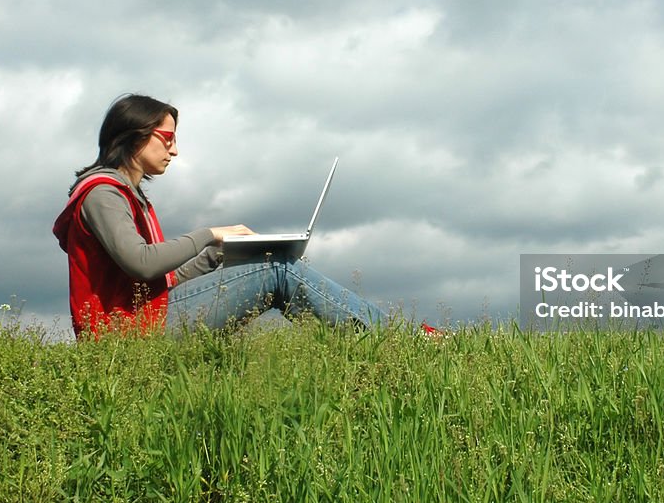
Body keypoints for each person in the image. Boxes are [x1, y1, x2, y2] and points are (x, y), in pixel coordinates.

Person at [53, 93, 413, 339]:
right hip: (130, 331)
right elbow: (142, 264)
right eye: (167, 138)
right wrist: (209, 234)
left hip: (144, 318)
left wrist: (217, 256)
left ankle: (379, 340)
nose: (174, 150)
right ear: (135, 137)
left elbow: (158, 281)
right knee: (278, 271)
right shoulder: (103, 194)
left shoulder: (127, 196)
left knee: (271, 261)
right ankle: (399, 341)